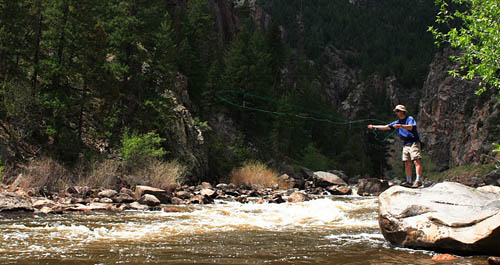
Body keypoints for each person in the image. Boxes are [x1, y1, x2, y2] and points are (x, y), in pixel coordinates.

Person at [367, 105, 423, 187]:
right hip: (406, 144)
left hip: (414, 142)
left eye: (398, 111)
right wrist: (374, 126)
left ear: (402, 111)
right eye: (396, 111)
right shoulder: (396, 122)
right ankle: (409, 181)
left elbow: (411, 127)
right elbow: (386, 127)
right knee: (407, 162)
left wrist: (400, 126)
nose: (396, 112)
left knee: (416, 160)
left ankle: (418, 180)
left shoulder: (409, 119)